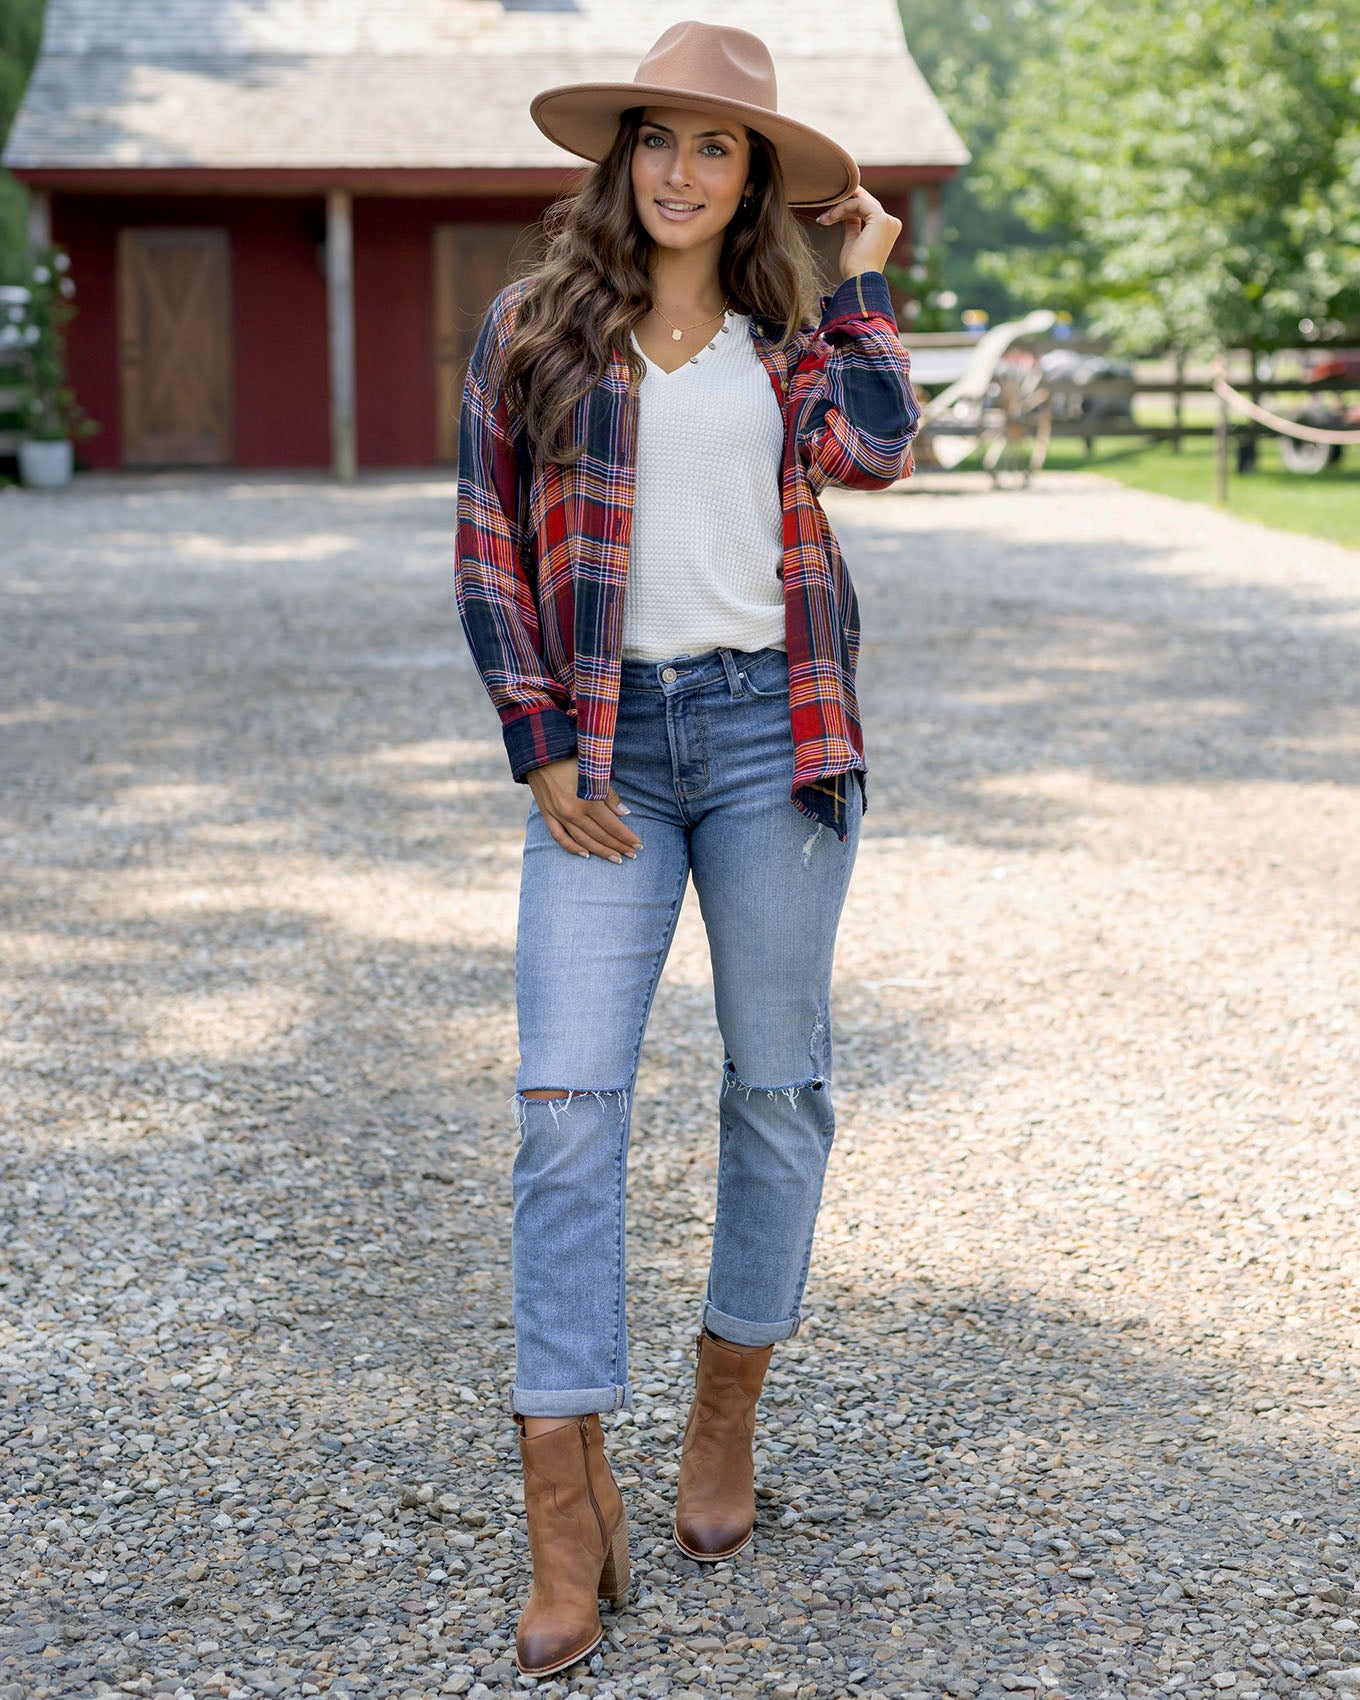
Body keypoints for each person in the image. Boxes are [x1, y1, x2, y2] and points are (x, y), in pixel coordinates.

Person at [455, 20, 918, 1679]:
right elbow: (488, 549)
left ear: (755, 182)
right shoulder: (532, 326)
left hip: (771, 743)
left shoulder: (800, 332)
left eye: (717, 149)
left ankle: (724, 1416)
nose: (679, 171)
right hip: (607, 756)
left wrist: (859, 271)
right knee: (567, 1108)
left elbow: (874, 450)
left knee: (776, 1087)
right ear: (620, 158)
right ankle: (563, 1514)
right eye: (656, 139)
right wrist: (542, 745)